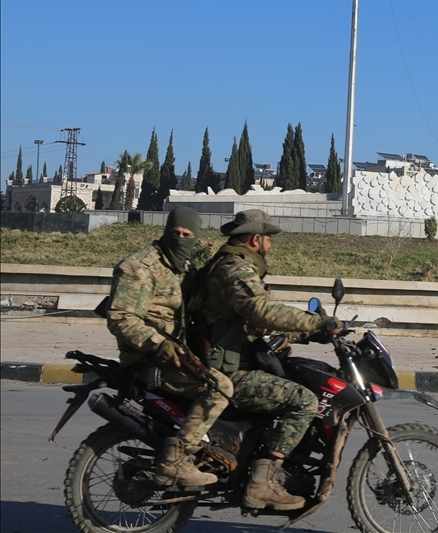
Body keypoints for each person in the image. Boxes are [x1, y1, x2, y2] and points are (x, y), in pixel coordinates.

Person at [200, 209, 342, 511]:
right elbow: (261, 311)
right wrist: (316, 323)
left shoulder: (238, 267)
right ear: (255, 239)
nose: (270, 244)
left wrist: (311, 334)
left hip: (236, 360)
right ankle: (261, 484)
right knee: (304, 400)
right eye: (268, 238)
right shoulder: (234, 269)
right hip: (229, 370)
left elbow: (261, 326)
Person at [106, 207, 230, 488]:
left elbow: (200, 307)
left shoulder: (184, 268)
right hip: (147, 361)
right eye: (175, 233)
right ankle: (175, 461)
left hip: (178, 355)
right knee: (220, 388)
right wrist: (159, 345)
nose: (180, 238)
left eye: (187, 235)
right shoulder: (139, 267)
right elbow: (121, 318)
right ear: (165, 232)